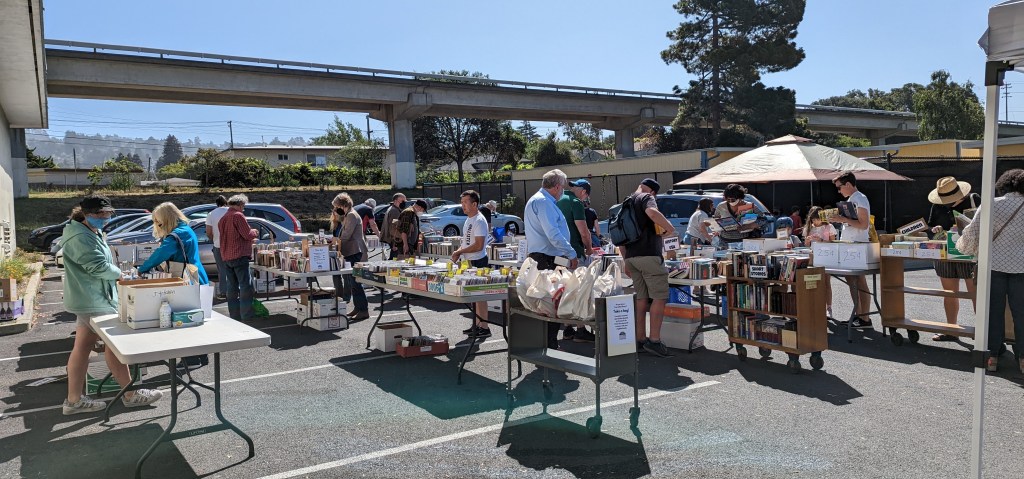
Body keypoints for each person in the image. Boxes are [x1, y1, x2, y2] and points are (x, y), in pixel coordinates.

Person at [61, 195, 163, 415]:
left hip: (91, 297)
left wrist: (118, 274)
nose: (105, 218)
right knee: (114, 347)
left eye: (107, 213)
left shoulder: (89, 231)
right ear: (86, 214)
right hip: (94, 298)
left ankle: (74, 400)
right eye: (100, 214)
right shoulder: (81, 236)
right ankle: (129, 394)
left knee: (82, 348)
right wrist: (123, 275)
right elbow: (97, 267)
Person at [957, 169, 1024, 373]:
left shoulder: (990, 205)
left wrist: (961, 246)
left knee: (992, 312)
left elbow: (971, 236)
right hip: (1021, 268)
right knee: (1021, 314)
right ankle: (1023, 359)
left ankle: (992, 357)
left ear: (1003, 184)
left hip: (993, 266)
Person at [524, 169, 578, 350]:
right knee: (550, 302)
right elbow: (553, 233)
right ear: (556, 186)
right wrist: (571, 254)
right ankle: (549, 345)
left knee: (544, 302)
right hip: (548, 258)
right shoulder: (544, 202)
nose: (562, 191)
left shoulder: (538, 200)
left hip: (543, 257)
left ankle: (545, 344)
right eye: (562, 187)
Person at [623, 178, 678, 357]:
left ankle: (640, 340)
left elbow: (619, 237)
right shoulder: (646, 197)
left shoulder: (627, 202)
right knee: (659, 298)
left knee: (641, 298)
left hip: (631, 257)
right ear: (653, 192)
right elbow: (653, 213)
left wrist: (625, 261)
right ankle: (654, 341)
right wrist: (671, 229)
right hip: (649, 255)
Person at [927, 176, 979, 341]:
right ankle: (951, 329)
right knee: (949, 293)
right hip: (945, 253)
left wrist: (965, 227)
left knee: (975, 293)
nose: (947, 203)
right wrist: (936, 229)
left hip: (970, 252)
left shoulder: (974, 199)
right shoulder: (937, 205)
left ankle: (983, 332)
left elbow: (986, 223)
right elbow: (930, 227)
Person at [830, 172, 873, 330]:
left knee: (859, 281)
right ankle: (859, 314)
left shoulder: (860, 198)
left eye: (840, 187)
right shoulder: (852, 199)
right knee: (852, 281)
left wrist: (843, 219)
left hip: (857, 245)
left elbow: (863, 224)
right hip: (850, 244)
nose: (839, 191)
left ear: (848, 184)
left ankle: (865, 317)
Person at [451, 191, 492, 338]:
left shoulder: (479, 220)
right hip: (469, 261)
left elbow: (479, 245)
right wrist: (459, 252)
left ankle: (484, 326)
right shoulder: (469, 219)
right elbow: (467, 241)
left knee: (480, 295)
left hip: (478, 260)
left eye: (465, 203)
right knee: (473, 296)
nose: (463, 206)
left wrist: (459, 252)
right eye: (462, 203)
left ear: (475, 204)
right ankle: (477, 324)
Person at [138, 202, 210, 285]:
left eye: (160, 223)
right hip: (196, 275)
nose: (159, 227)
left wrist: (143, 269)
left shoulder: (178, 234)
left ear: (166, 220)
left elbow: (161, 253)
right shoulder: (186, 229)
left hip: (189, 279)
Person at [558, 179, 595, 342]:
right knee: (579, 290)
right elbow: (583, 231)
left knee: (564, 289)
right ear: (584, 193)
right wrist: (589, 248)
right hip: (573, 251)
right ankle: (580, 329)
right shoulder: (576, 203)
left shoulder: (557, 199)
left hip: (557, 252)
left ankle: (567, 327)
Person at [219, 194, 260, 321]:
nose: (244, 208)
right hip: (239, 255)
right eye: (243, 206)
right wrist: (254, 231)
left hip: (227, 255)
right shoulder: (238, 216)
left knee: (232, 287)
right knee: (245, 286)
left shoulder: (224, 217)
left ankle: (234, 315)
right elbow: (247, 234)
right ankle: (246, 315)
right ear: (240, 204)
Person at [333, 193, 370, 320]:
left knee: (356, 283)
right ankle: (357, 307)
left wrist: (335, 241)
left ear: (344, 205)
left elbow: (346, 235)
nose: (336, 209)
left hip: (355, 252)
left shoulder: (352, 215)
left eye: (337, 206)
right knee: (353, 283)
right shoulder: (349, 215)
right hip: (352, 251)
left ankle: (363, 310)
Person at [803, 206, 837, 319]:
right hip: (813, 258)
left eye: (817, 219)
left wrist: (821, 240)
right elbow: (806, 246)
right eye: (813, 219)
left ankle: (829, 308)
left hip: (827, 258)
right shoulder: (809, 228)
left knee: (826, 283)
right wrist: (807, 241)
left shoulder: (829, 226)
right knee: (813, 283)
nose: (815, 222)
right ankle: (816, 307)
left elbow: (834, 243)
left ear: (822, 218)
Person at [206, 195, 229, 299]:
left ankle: (224, 292)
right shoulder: (231, 212)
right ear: (226, 202)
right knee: (234, 269)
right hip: (232, 245)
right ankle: (236, 291)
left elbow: (209, 232)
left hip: (218, 245)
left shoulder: (211, 214)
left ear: (216, 203)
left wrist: (213, 239)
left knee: (222, 269)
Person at [382, 193, 406, 259]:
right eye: (402, 201)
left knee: (394, 258)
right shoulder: (394, 211)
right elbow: (393, 228)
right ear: (395, 201)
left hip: (394, 239)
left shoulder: (392, 209)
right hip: (396, 240)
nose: (403, 203)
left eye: (404, 201)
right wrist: (394, 244)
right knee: (395, 259)